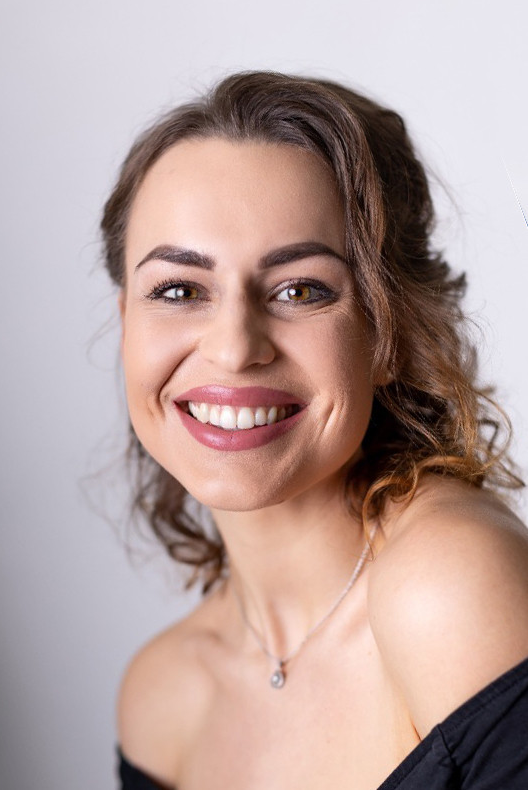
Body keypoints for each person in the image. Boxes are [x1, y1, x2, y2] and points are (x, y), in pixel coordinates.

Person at [101, 71, 528, 790]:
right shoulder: (160, 699)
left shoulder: (450, 587)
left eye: (300, 289)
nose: (234, 348)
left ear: (389, 334)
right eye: (179, 290)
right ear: (125, 326)